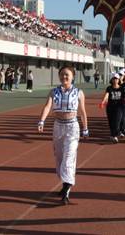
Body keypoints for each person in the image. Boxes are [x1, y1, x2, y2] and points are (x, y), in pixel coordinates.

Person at [37, 66, 89, 204]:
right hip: (58, 126)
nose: (64, 77)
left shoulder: (79, 92)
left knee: (69, 156)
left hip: (72, 127)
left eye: (67, 75)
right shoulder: (54, 92)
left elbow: (82, 111)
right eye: (62, 75)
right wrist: (41, 121)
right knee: (59, 157)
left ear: (73, 76)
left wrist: (85, 128)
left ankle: (67, 189)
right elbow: (48, 106)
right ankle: (65, 182)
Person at [100, 72, 125, 143]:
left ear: (118, 80)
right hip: (110, 107)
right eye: (114, 79)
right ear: (112, 80)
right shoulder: (109, 88)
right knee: (111, 122)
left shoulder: (122, 88)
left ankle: (115, 136)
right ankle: (112, 134)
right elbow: (106, 96)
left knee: (117, 121)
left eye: (116, 79)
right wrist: (103, 102)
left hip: (119, 107)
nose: (115, 80)